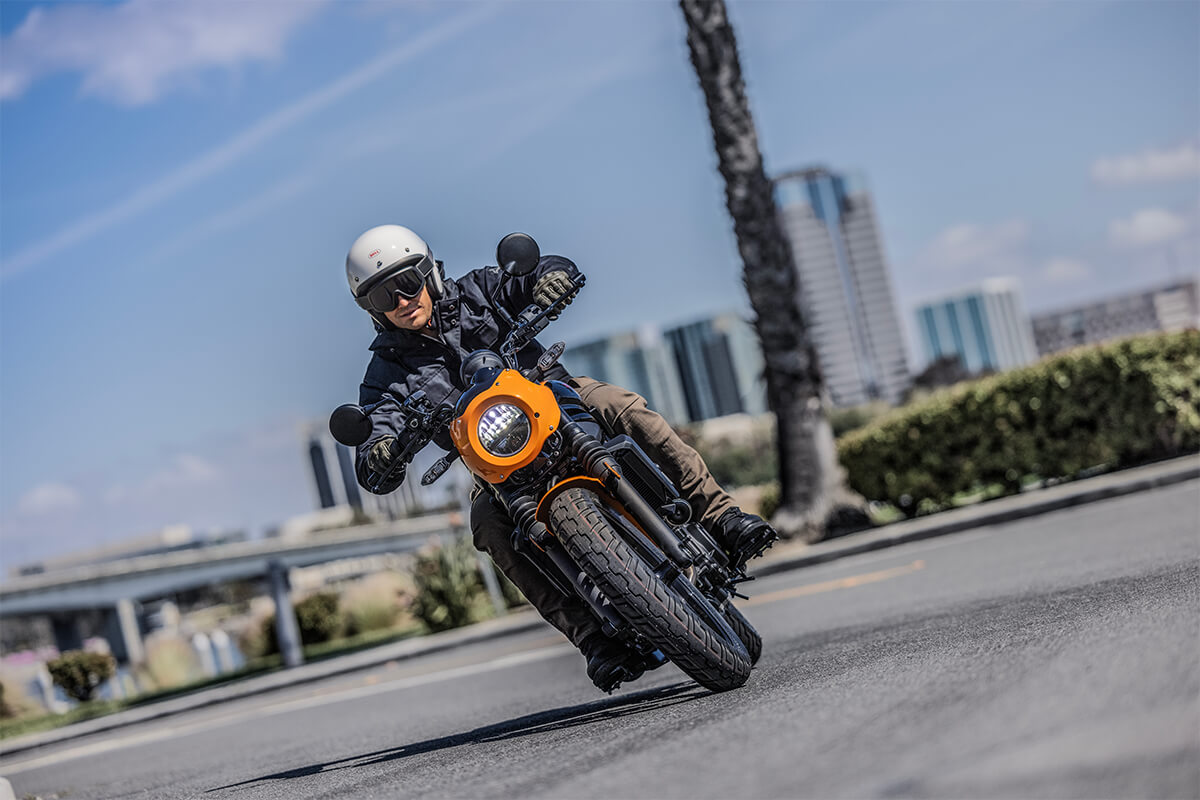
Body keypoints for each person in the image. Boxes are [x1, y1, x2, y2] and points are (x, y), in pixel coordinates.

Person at [345, 224, 776, 690]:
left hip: (555, 398)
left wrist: (552, 276)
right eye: (382, 297)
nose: (402, 301)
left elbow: (533, 276)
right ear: (370, 309)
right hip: (494, 460)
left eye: (407, 283)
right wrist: (379, 452)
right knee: (487, 525)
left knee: (620, 406)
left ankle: (722, 517)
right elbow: (376, 425)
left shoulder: (479, 291)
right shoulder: (384, 374)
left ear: (429, 273)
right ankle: (591, 637)